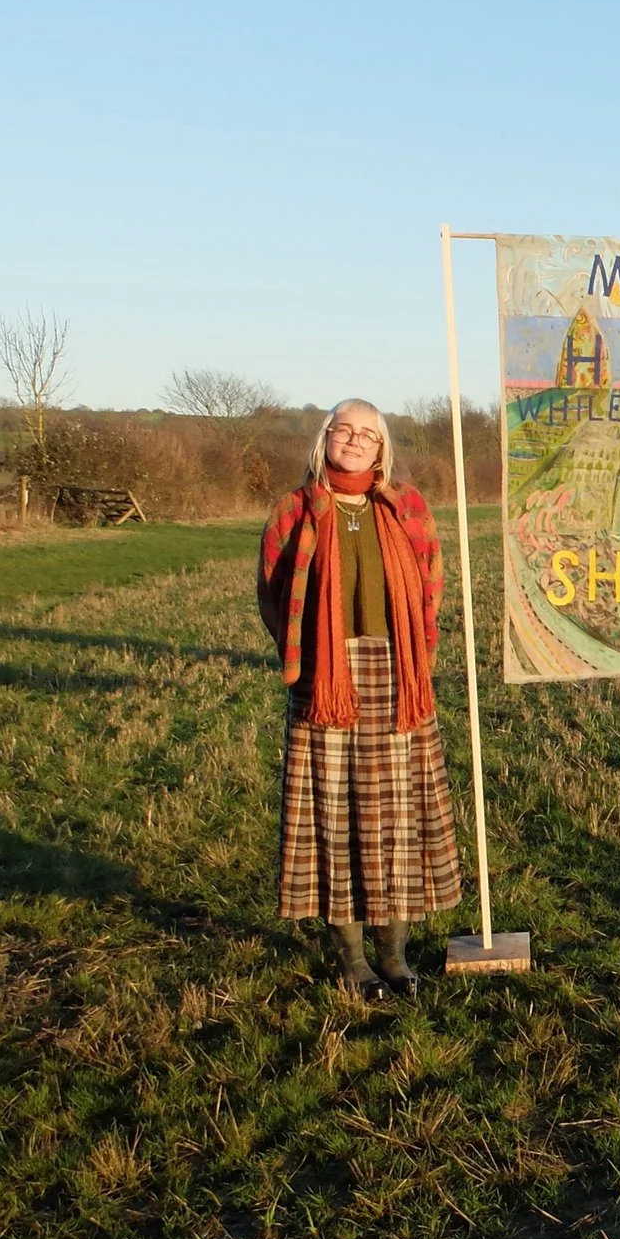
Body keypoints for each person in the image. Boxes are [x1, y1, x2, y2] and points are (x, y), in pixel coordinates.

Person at [257, 399, 462, 996]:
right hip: (326, 685)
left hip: (398, 680)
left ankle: (393, 957)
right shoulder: (294, 510)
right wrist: (311, 657)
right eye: (343, 429)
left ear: (381, 448)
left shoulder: (406, 505)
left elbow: (430, 587)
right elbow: (273, 593)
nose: (353, 440)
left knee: (394, 824)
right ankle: (351, 961)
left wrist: (417, 657)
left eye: (366, 434)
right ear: (325, 438)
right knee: (335, 823)